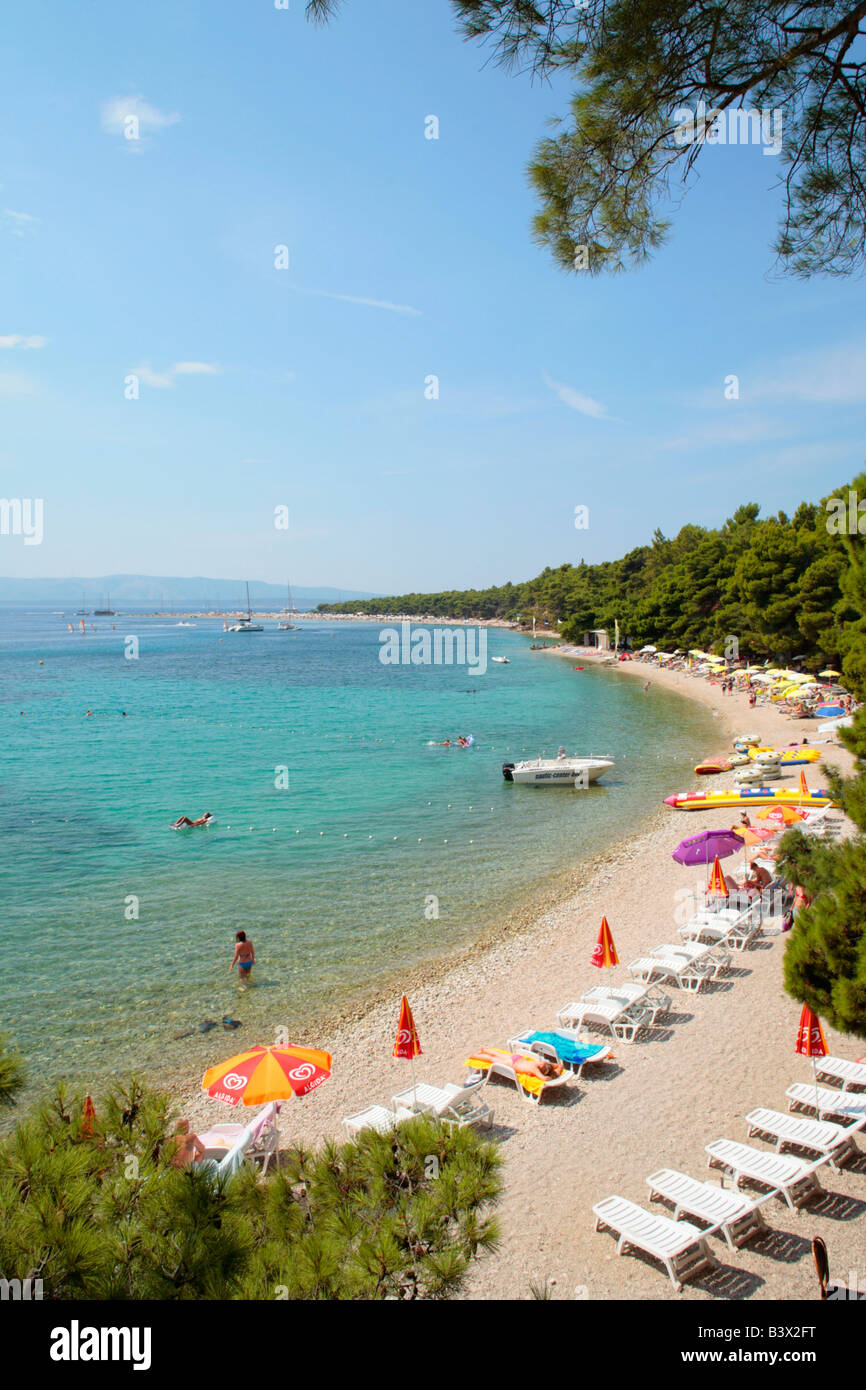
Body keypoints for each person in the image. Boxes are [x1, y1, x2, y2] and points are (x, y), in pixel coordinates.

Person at [476, 1047, 563, 1081]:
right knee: (493, 1059)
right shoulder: (535, 1069)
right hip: (513, 1064)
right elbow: (544, 1078)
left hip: (517, 1058)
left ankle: (484, 1050)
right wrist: (556, 1075)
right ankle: (475, 1056)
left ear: (542, 1066)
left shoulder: (538, 1064)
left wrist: (557, 1069)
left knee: (499, 1055)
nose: (543, 1062)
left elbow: (558, 1065)